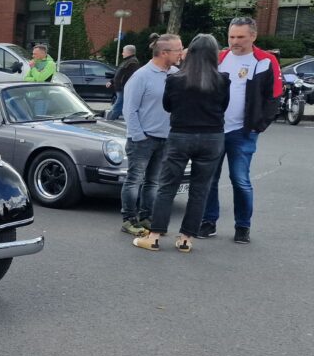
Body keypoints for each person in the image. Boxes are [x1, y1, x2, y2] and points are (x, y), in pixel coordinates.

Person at [133, 34, 230, 253]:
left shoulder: (175, 79)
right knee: (200, 190)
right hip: (212, 137)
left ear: (190, 53)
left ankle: (155, 236)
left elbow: (168, 106)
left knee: (167, 186)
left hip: (181, 135)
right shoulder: (222, 80)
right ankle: (186, 239)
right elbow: (223, 107)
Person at [197, 17, 282, 243]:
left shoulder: (265, 60)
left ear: (253, 36)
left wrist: (258, 125)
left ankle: (243, 226)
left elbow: (274, 95)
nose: (235, 41)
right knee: (210, 178)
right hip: (215, 130)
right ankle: (208, 221)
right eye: (231, 36)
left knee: (240, 179)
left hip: (242, 132)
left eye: (240, 37)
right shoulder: (221, 58)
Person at [120, 33, 183, 235]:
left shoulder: (175, 73)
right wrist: (139, 136)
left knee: (153, 181)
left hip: (165, 139)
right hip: (143, 139)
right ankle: (129, 219)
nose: (181, 53)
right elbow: (129, 109)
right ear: (164, 53)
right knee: (134, 180)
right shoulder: (141, 76)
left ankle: (146, 217)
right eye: (178, 50)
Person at [105, 45, 140, 121]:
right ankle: (113, 118)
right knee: (119, 104)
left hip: (124, 88)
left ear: (128, 52)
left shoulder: (133, 62)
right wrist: (112, 81)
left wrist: (125, 86)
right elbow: (119, 74)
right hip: (120, 88)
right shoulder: (127, 61)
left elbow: (132, 77)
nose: (122, 53)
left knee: (118, 105)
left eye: (123, 51)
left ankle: (109, 120)